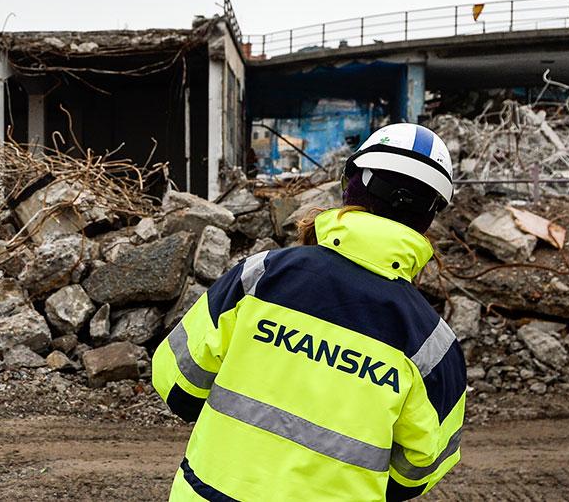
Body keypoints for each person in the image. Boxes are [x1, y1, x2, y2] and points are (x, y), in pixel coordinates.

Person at [152, 123, 466, 501]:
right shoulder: (433, 346)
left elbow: (177, 384)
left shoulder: (262, 276)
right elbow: (417, 473)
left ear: (352, 186)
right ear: (430, 215)